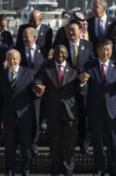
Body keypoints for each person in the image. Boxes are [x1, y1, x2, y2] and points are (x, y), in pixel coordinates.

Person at [36, 44, 87, 176]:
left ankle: (68, 170)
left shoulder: (74, 70)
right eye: (57, 53)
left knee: (69, 144)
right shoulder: (47, 68)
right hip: (53, 111)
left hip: (69, 112)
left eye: (63, 53)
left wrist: (82, 82)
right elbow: (38, 79)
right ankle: (55, 169)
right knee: (54, 143)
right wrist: (38, 85)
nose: (60, 55)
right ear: (53, 54)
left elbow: (79, 89)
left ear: (67, 55)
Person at [85, 38, 116, 176]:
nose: (105, 52)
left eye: (108, 49)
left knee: (113, 141)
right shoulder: (89, 66)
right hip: (95, 109)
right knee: (98, 141)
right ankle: (99, 169)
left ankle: (114, 168)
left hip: (113, 110)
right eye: (103, 49)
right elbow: (82, 88)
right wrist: (82, 82)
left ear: (111, 51)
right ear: (97, 50)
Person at [0, 49, 36, 176]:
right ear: (6, 60)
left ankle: (26, 169)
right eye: (10, 58)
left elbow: (34, 94)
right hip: (8, 116)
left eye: (15, 58)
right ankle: (9, 169)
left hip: (25, 115)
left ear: (20, 60)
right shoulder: (0, 75)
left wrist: (38, 92)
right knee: (9, 145)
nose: (12, 61)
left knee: (26, 145)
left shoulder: (29, 73)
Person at [63, 20, 92, 152]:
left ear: (80, 31)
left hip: (83, 87)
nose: (70, 33)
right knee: (68, 117)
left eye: (73, 30)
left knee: (84, 116)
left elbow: (92, 64)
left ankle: (84, 144)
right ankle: (69, 144)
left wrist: (85, 76)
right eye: (68, 30)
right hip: (67, 87)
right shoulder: (62, 46)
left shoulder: (88, 45)